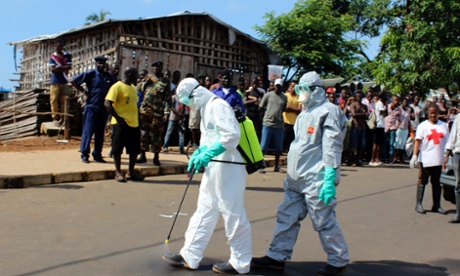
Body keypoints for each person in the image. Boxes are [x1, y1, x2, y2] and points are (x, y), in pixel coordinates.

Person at [251, 72, 349, 276]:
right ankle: (277, 255)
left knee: (324, 220)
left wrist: (329, 178)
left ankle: (338, 259)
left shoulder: (329, 111)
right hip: (297, 178)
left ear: (315, 90)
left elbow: (332, 147)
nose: (299, 93)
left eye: (303, 89)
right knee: (286, 216)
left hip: (317, 178)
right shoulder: (305, 111)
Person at [162, 78, 252, 274]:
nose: (187, 104)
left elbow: (231, 136)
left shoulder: (218, 106)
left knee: (232, 213)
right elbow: (210, 138)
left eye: (186, 100)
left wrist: (209, 153)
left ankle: (240, 262)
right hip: (215, 166)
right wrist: (200, 152)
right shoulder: (205, 108)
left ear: (195, 93)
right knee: (205, 208)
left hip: (228, 166)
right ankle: (190, 254)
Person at [71, 56, 115, 163]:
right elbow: (73, 81)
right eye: (99, 63)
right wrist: (84, 91)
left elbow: (116, 85)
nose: (101, 65)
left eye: (103, 63)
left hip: (103, 109)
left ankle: (97, 154)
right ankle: (84, 154)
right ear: (96, 64)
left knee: (100, 133)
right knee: (88, 131)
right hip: (92, 107)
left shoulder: (109, 76)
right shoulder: (90, 74)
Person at [104, 67, 144, 182]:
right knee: (117, 149)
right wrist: (117, 117)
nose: (138, 78)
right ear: (130, 74)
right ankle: (118, 172)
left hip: (134, 123)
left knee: (134, 150)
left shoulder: (133, 88)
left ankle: (130, 172)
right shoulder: (117, 86)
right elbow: (107, 103)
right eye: (136, 75)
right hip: (120, 124)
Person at [410, 103, 448, 215]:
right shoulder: (423, 126)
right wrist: (415, 155)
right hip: (426, 159)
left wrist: (447, 156)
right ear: (427, 113)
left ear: (438, 113)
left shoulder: (444, 126)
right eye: (431, 113)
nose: (433, 115)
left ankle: (436, 205)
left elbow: (447, 141)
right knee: (422, 181)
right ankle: (418, 204)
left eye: (435, 112)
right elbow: (418, 141)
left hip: (438, 159)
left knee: (437, 183)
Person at [137, 60, 172, 166]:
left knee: (156, 135)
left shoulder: (165, 82)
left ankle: (156, 157)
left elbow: (168, 99)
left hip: (157, 112)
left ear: (161, 68)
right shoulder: (147, 77)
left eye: (158, 66)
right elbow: (138, 88)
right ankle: (142, 155)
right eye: (154, 67)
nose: (156, 68)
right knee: (143, 134)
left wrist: (166, 112)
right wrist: (145, 83)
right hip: (144, 111)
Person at [259, 78, 287, 173]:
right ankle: (260, 166)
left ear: (282, 87)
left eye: (280, 86)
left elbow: (283, 109)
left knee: (278, 148)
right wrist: (266, 116)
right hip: (267, 123)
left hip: (279, 125)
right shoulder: (268, 95)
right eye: (277, 86)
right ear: (274, 85)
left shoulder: (284, 97)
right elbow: (261, 107)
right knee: (263, 146)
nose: (278, 88)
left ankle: (276, 167)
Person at [48, 41, 72, 127]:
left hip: (64, 80)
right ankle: (55, 118)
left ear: (63, 46)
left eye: (60, 46)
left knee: (64, 100)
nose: (59, 48)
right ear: (55, 46)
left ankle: (63, 117)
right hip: (55, 81)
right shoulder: (53, 57)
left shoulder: (67, 56)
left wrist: (58, 68)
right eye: (57, 46)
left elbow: (69, 67)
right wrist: (63, 68)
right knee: (54, 99)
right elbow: (53, 69)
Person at [444, 113, 460, 223]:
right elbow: (453, 135)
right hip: (458, 155)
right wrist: (447, 153)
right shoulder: (459, 117)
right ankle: (459, 214)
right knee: (458, 185)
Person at [348, 91, 368, 166]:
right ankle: (350, 160)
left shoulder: (364, 106)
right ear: (355, 97)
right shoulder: (353, 105)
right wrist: (363, 114)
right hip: (355, 126)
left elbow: (367, 116)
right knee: (352, 144)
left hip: (362, 127)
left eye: (360, 96)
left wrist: (361, 115)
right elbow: (354, 114)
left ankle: (358, 160)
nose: (359, 98)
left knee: (361, 145)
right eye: (357, 96)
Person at [369, 91, 388, 166]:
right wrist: (386, 106)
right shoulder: (380, 104)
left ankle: (377, 159)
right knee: (376, 143)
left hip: (381, 125)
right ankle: (372, 159)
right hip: (378, 125)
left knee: (379, 143)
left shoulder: (380, 104)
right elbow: (384, 114)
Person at [282, 80, 301, 151]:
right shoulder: (285, 96)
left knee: (291, 141)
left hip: (294, 123)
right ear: (289, 86)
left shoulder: (298, 97)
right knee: (284, 139)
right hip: (285, 121)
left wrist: (289, 108)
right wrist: (294, 109)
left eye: (296, 87)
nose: (294, 88)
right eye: (293, 86)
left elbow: (299, 110)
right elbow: (285, 108)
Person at [393, 97, 413, 163]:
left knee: (402, 144)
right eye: (404, 102)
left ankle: (401, 158)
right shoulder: (398, 109)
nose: (405, 104)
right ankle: (395, 157)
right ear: (402, 102)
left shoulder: (408, 110)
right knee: (396, 143)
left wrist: (410, 129)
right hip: (399, 128)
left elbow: (409, 120)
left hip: (405, 129)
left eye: (406, 103)